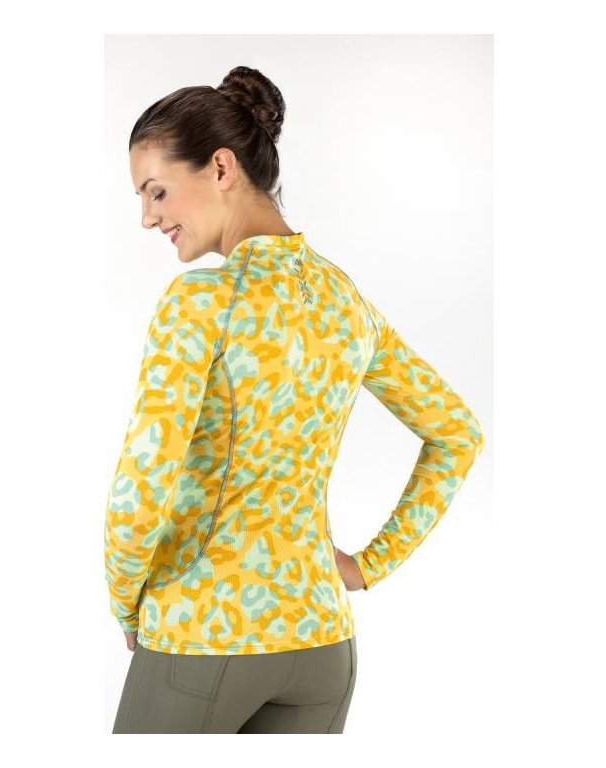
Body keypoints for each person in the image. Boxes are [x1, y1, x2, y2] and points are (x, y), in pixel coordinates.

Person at [106, 65, 485, 733]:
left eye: (156, 191)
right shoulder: (345, 304)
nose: (148, 217)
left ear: (220, 167)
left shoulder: (202, 303)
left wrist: (128, 604)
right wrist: (368, 566)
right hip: (322, 645)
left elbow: (143, 484)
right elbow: (457, 431)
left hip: (202, 634)